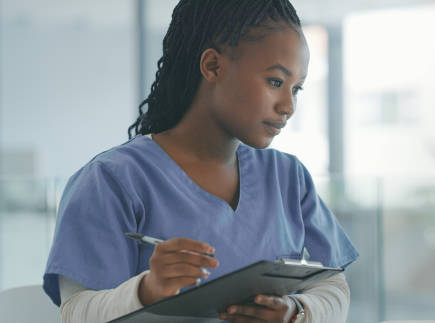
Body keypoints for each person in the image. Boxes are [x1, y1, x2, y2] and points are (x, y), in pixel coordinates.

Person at [42, 1, 359, 322]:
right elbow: (76, 312)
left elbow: (333, 285)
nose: (288, 106)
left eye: (297, 88)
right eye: (275, 82)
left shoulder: (288, 177)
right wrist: (146, 290)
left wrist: (296, 312)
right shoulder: (111, 180)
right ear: (212, 66)